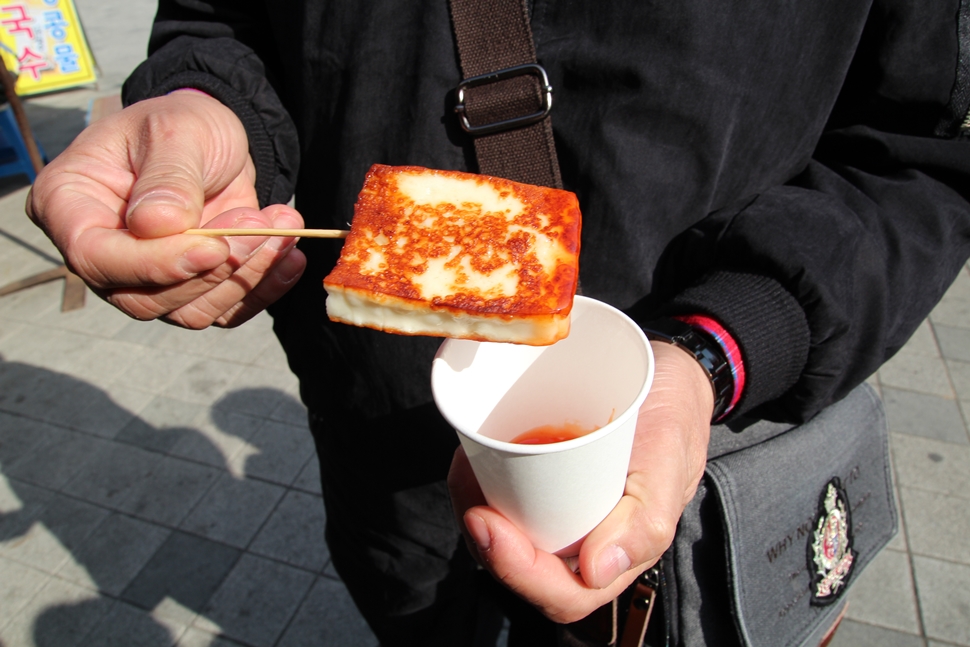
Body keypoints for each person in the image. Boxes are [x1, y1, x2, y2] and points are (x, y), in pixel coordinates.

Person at [26, 0, 970, 645]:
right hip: (385, 446)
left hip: (692, 434)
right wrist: (203, 99)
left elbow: (920, 150)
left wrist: (731, 340)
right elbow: (227, 17)